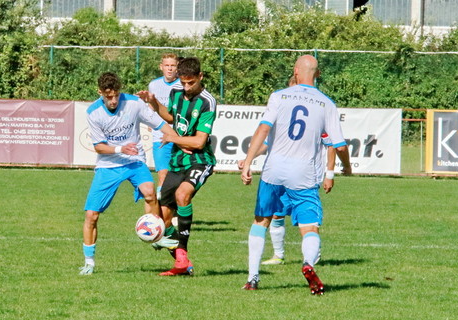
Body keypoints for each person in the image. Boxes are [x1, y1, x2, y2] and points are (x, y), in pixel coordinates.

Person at [240, 55, 351, 294]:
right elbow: (339, 146)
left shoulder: (279, 95)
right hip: (304, 173)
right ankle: (308, 264)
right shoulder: (327, 104)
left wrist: (248, 161)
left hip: (273, 170)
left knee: (261, 220)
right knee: (309, 226)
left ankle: (252, 278)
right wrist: (346, 167)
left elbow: (263, 128)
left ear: (295, 71)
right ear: (318, 74)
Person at [79, 72, 178, 275]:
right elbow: (99, 147)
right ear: (100, 93)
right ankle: (89, 262)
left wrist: (177, 139)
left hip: (134, 161)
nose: (113, 100)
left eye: (116, 95)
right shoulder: (94, 112)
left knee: (150, 192)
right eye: (109, 97)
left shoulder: (134, 103)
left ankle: (154, 235)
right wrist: (120, 149)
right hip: (108, 165)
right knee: (91, 215)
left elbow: (160, 124)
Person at [137, 57, 217, 276]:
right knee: (162, 219)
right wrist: (153, 103)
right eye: (183, 83)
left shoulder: (207, 102)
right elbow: (171, 117)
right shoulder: (176, 93)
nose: (187, 87)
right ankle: (183, 263)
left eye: (191, 82)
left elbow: (199, 142)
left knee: (183, 195)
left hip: (200, 161)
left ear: (200, 77)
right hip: (177, 160)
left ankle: (182, 249)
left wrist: (173, 139)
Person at [238, 133, 336, 266]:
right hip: (281, 176)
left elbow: (332, 145)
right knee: (277, 214)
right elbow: (266, 144)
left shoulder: (317, 117)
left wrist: (329, 174)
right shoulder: (282, 120)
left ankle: (313, 254)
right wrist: (248, 159)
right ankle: (278, 255)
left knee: (308, 220)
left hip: (305, 178)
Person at [148, 53, 183, 200]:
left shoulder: (183, 85)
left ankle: (173, 209)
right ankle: (161, 212)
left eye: (172, 65)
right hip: (160, 136)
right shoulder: (153, 84)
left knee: (178, 178)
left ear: (177, 68)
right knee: (162, 174)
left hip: (180, 137)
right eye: (166, 65)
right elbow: (151, 105)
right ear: (161, 67)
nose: (169, 69)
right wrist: (151, 121)